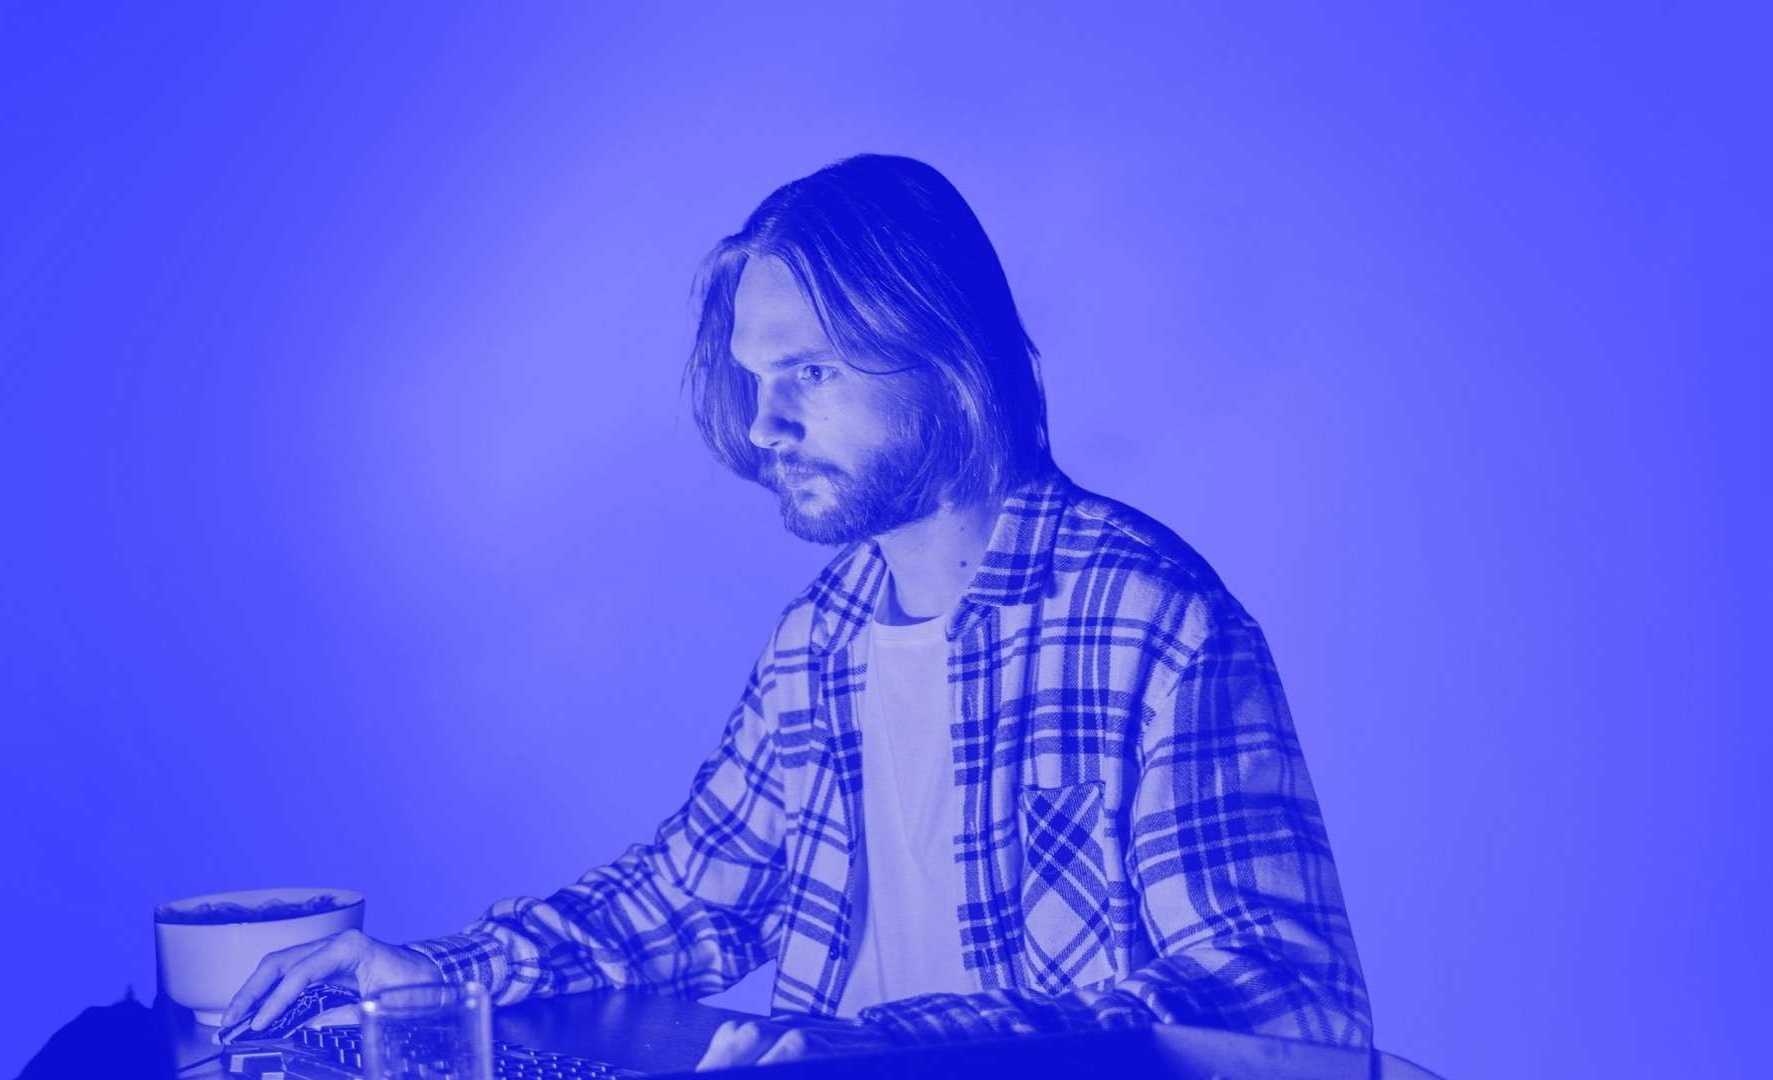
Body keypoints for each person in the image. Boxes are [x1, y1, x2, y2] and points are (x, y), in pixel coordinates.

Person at [219, 154, 1374, 1069]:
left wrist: (878, 1052)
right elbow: (688, 901)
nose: (765, 426)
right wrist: (436, 971)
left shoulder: (1156, 628)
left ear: (947, 355)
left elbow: (1278, 1010)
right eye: (755, 380)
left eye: (809, 374)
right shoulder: (821, 636)